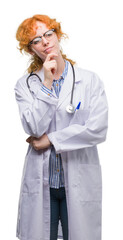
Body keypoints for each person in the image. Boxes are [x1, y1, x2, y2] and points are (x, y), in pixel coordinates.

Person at [14, 14, 108, 240]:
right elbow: (34, 128)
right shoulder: (25, 85)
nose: (45, 42)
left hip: (78, 183)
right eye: (36, 40)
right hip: (42, 185)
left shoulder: (89, 81)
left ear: (57, 35)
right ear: (30, 50)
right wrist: (47, 82)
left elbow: (98, 128)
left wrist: (51, 140)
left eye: (48, 34)